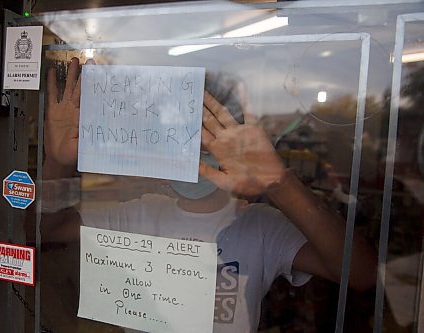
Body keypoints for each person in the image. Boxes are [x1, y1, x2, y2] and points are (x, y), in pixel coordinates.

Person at [41, 58, 377, 332]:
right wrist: (56, 163)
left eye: (210, 139)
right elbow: (43, 231)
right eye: (180, 135)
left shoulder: (262, 227)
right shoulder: (134, 215)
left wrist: (280, 184)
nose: (197, 151)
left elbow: (361, 274)